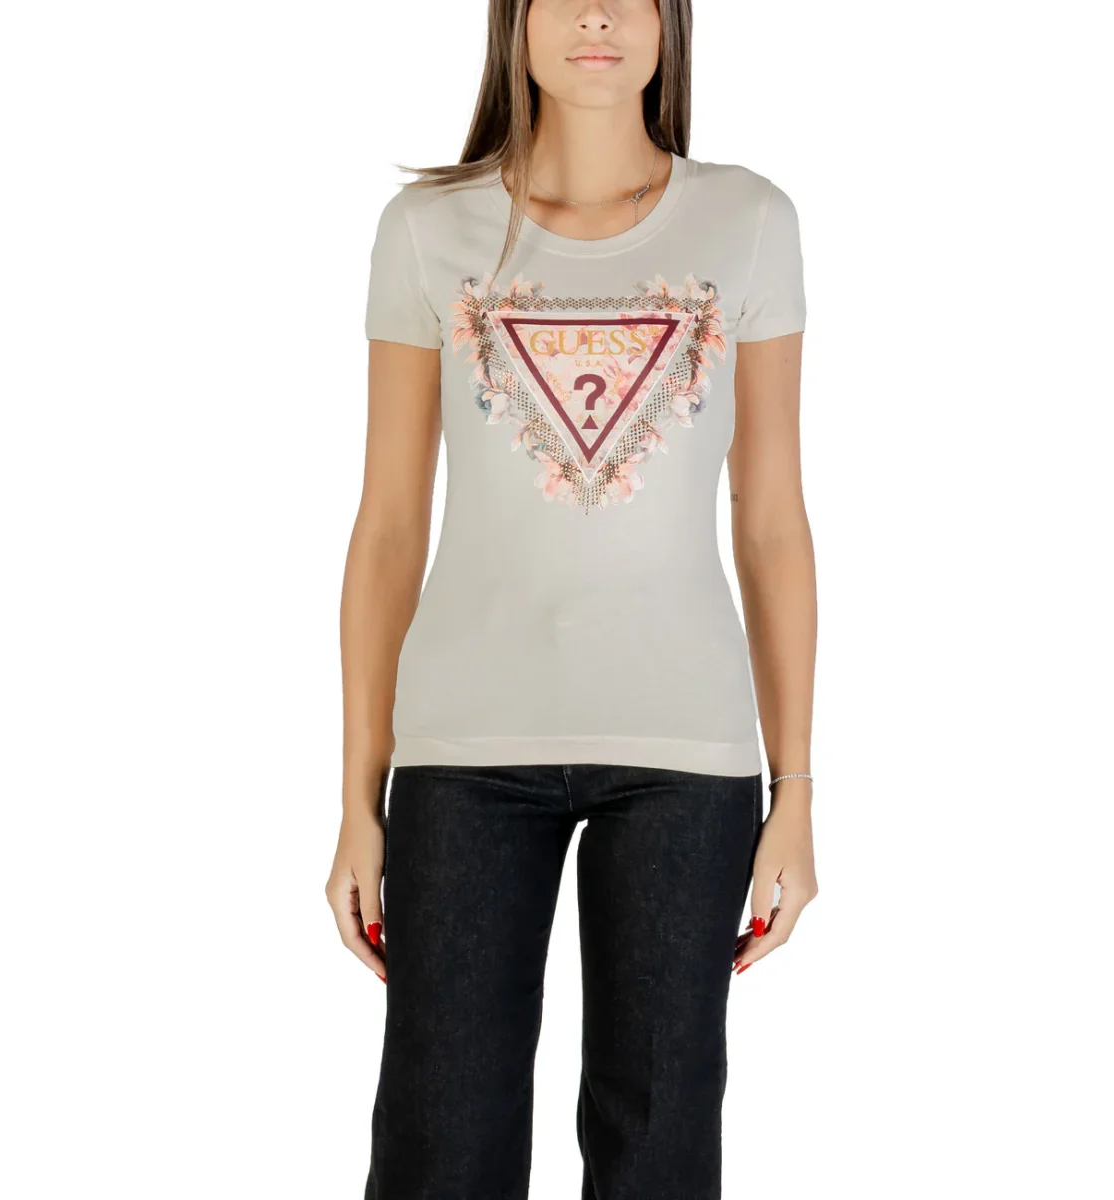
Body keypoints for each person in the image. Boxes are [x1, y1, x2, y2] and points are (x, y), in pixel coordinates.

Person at [325, 2, 819, 1196]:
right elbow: (388, 529)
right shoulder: (427, 232)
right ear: (516, 18)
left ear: (669, 20)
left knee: (659, 1149)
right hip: (462, 752)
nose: (597, 13)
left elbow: (771, 519)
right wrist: (356, 799)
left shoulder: (749, 222)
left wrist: (795, 790)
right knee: (441, 1144)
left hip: (685, 756)